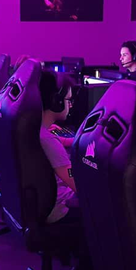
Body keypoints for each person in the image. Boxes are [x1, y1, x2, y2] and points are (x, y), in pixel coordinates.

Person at [37, 71, 78, 224]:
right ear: (57, 102)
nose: (71, 105)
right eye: (68, 100)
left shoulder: (36, 130)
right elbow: (74, 182)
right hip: (61, 210)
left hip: (41, 205)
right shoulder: (48, 140)